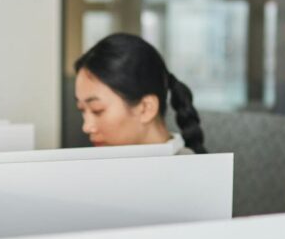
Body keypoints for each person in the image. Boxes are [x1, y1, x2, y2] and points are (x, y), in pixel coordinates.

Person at [73, 33, 206, 155]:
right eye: (82, 110)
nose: (86, 127)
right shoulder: (99, 169)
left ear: (146, 108)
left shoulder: (194, 175)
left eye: (97, 110)